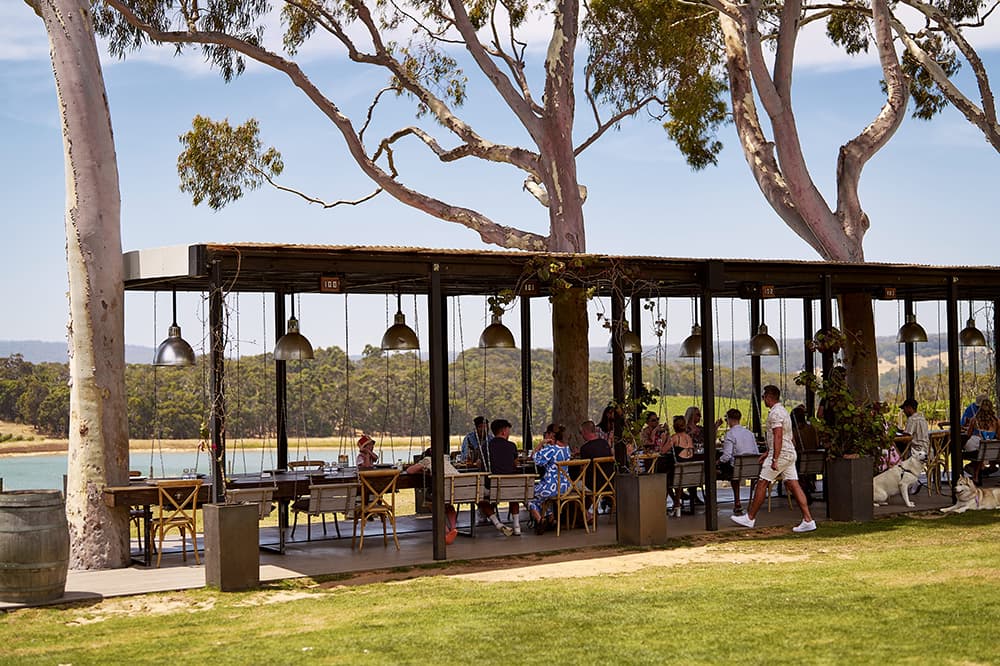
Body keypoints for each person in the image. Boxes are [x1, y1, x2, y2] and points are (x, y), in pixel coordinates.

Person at [731, 385, 816, 533]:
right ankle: (808, 519)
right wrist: (769, 451)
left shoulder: (775, 414)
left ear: (769, 397)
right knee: (794, 484)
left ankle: (750, 517)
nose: (763, 399)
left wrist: (774, 458)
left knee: (762, 482)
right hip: (789, 453)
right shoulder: (783, 411)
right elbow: (785, 436)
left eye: (764, 397)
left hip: (781, 454)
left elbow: (778, 435)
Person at [406, 449, 513, 545]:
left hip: (447, 491)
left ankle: (446, 531)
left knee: (432, 502)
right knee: (449, 504)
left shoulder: (427, 460)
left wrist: (421, 469)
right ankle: (454, 528)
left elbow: (409, 471)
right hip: (461, 491)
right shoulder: (446, 460)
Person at [528, 423, 572, 534]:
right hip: (565, 486)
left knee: (528, 495)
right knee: (543, 498)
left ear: (552, 436)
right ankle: (551, 518)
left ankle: (539, 519)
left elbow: (534, 458)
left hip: (551, 487)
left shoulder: (551, 450)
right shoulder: (567, 449)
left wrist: (541, 444)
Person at [716, 408, 759, 515]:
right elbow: (756, 451)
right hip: (752, 468)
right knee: (735, 469)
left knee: (718, 470)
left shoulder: (730, 434)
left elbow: (726, 456)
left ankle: (736, 501)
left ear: (729, 420)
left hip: (737, 469)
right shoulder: (750, 433)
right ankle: (749, 501)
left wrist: (717, 462)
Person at [486, 418, 524, 535]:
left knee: (480, 498)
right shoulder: (511, 446)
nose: (509, 433)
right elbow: (515, 463)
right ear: (503, 432)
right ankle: (517, 525)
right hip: (509, 487)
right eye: (508, 431)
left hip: (493, 488)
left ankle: (497, 523)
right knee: (514, 495)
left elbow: (480, 463)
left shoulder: (486, 446)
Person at [579, 420, 613, 518]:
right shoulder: (605, 444)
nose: (581, 436)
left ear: (585, 432)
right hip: (609, 482)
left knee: (573, 486)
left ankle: (586, 515)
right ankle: (590, 512)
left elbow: (583, 470)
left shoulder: (585, 448)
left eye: (581, 433)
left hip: (593, 485)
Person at [964, 398, 999, 483]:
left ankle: (975, 474)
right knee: (982, 451)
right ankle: (980, 470)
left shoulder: (974, 420)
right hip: (991, 451)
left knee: (975, 449)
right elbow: (999, 436)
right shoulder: (997, 421)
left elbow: (968, 435)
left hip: (979, 450)